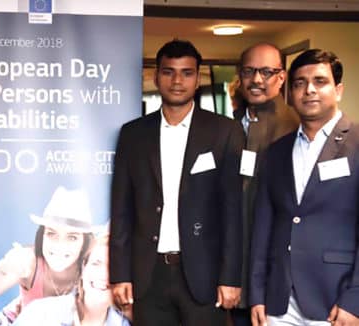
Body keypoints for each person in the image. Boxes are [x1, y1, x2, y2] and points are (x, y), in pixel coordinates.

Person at [109, 39, 244, 325]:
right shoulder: (133, 134)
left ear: (198, 79)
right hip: (148, 275)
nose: (177, 80)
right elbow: (121, 209)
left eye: (187, 72)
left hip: (204, 276)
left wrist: (231, 276)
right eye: (169, 72)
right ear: (156, 77)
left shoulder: (225, 132)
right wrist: (120, 274)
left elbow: (233, 211)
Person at [250, 49, 359, 326]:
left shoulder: (357, 144)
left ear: (338, 90)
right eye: (299, 83)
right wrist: (257, 294)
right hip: (278, 300)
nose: (309, 90)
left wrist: (355, 300)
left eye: (320, 81)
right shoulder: (277, 151)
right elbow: (264, 226)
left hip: (335, 301)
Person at [231, 42, 300, 326]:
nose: (257, 79)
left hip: (277, 275)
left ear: (281, 77)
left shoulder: (295, 127)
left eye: (267, 72)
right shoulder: (231, 124)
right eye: (249, 71)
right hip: (232, 269)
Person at [0, 186, 94, 325]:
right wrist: (3, 269)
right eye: (52, 234)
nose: (60, 245)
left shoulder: (92, 267)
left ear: (85, 242)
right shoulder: (30, 263)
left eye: (72, 237)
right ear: (42, 235)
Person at [12, 235, 130, 326]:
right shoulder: (40, 314)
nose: (104, 274)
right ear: (83, 269)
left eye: (114, 268)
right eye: (96, 264)